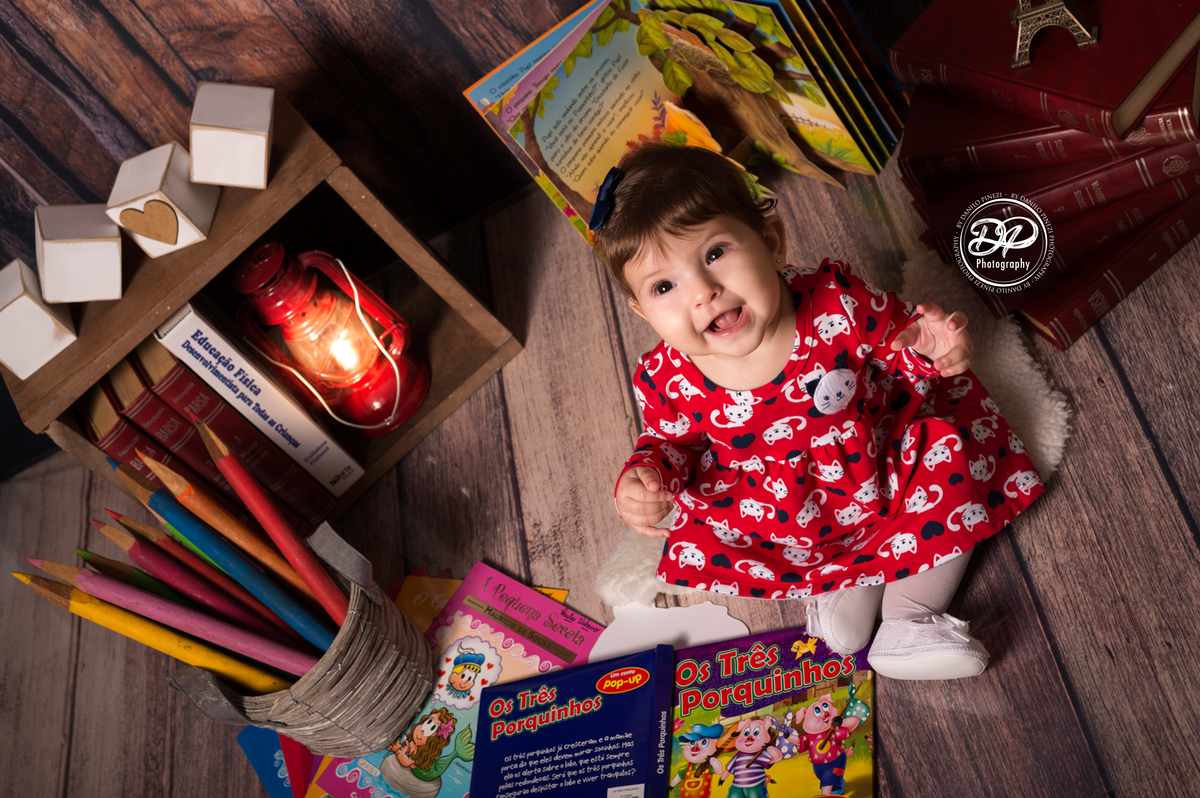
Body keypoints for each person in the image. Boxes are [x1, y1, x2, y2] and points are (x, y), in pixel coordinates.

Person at [595, 143, 1045, 680]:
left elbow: (898, 346)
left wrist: (934, 349)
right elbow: (673, 442)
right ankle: (843, 589)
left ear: (770, 242)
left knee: (952, 458)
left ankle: (909, 619)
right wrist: (647, 474)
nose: (703, 293)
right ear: (643, 311)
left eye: (715, 253)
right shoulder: (669, 376)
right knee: (764, 539)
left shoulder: (836, 302)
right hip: (789, 512)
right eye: (664, 286)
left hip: (883, 462)